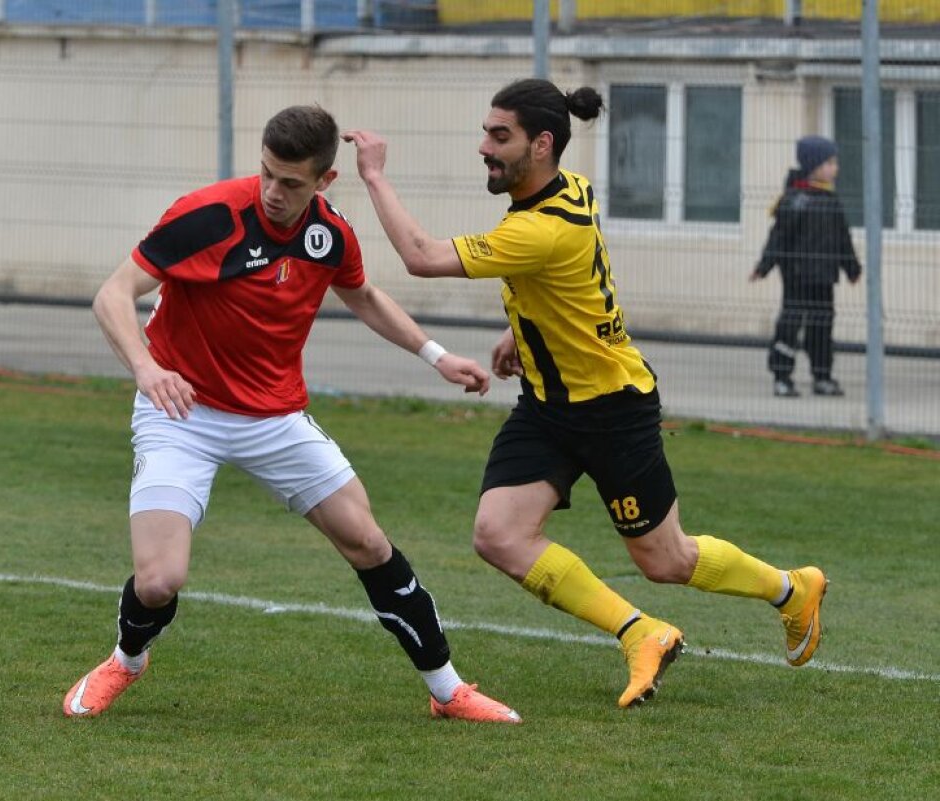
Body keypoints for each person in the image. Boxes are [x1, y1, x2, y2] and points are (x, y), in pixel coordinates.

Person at [343, 78, 829, 709]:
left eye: (499, 136)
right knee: (499, 535)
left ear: (541, 144)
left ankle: (792, 589)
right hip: (549, 406)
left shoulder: (541, 227)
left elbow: (420, 255)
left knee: (666, 559)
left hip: (611, 409)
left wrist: (375, 177)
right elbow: (568, 280)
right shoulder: (564, 191)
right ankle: (640, 631)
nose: (483, 148)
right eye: (486, 132)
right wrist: (522, 331)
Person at [62, 105, 520, 724]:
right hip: (182, 412)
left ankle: (448, 691)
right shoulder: (207, 215)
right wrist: (147, 369)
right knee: (159, 581)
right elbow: (112, 294)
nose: (274, 193)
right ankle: (127, 660)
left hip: (274, 418)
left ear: (324, 181)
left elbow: (361, 295)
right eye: (267, 175)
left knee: (367, 540)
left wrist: (435, 355)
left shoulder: (329, 233)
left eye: (292, 183)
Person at [751, 135, 862, 398]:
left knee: (822, 326)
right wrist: (764, 266)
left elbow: (842, 238)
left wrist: (852, 268)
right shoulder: (793, 200)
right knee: (790, 325)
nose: (836, 168)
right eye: (830, 162)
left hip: (824, 278)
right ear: (814, 165)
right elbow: (778, 237)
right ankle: (782, 376)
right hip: (797, 277)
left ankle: (822, 376)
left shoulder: (831, 200)